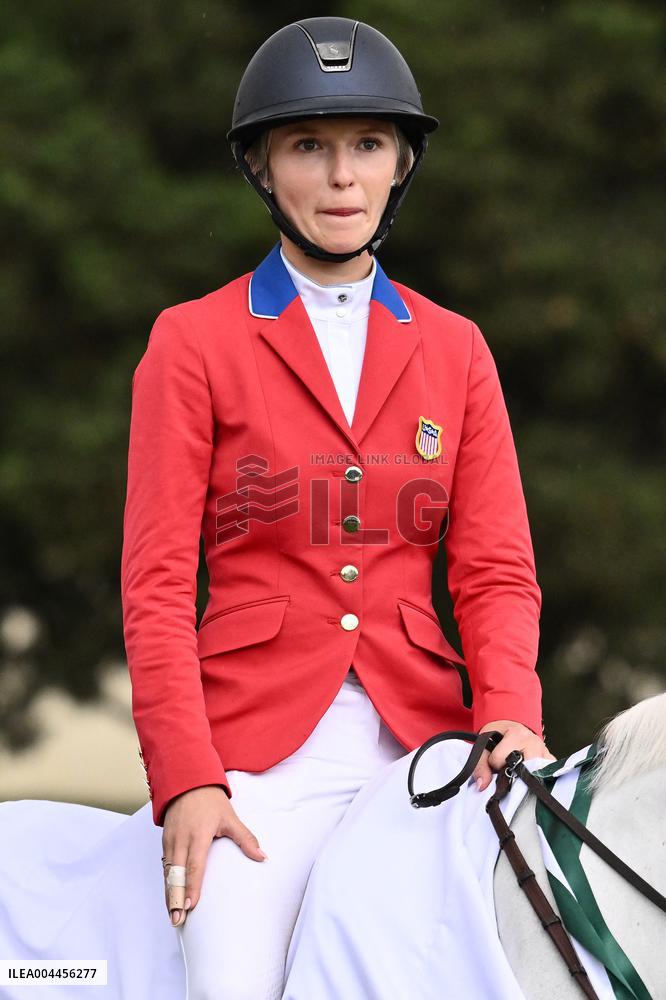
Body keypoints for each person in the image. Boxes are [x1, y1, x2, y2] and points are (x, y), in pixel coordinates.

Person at [0, 16, 554, 1000]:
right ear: (262, 166)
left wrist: (511, 712)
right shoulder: (194, 342)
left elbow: (496, 570)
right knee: (231, 977)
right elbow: (159, 586)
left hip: (428, 749)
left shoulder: (457, 349)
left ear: (400, 163)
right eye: (310, 146)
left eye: (368, 146)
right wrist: (189, 779)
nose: (343, 177)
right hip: (254, 760)